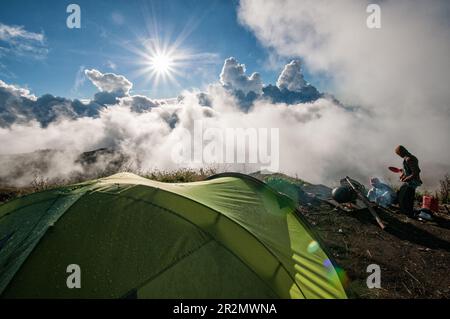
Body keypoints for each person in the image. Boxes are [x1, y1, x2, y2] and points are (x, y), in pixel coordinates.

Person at [395, 145, 422, 217]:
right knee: (405, 195)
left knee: (406, 197)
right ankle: (406, 211)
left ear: (401, 152)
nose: (399, 155)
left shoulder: (409, 159)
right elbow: (408, 170)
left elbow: (416, 172)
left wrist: (406, 179)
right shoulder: (407, 158)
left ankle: (408, 212)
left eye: (398, 154)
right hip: (410, 181)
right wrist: (403, 174)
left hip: (412, 182)